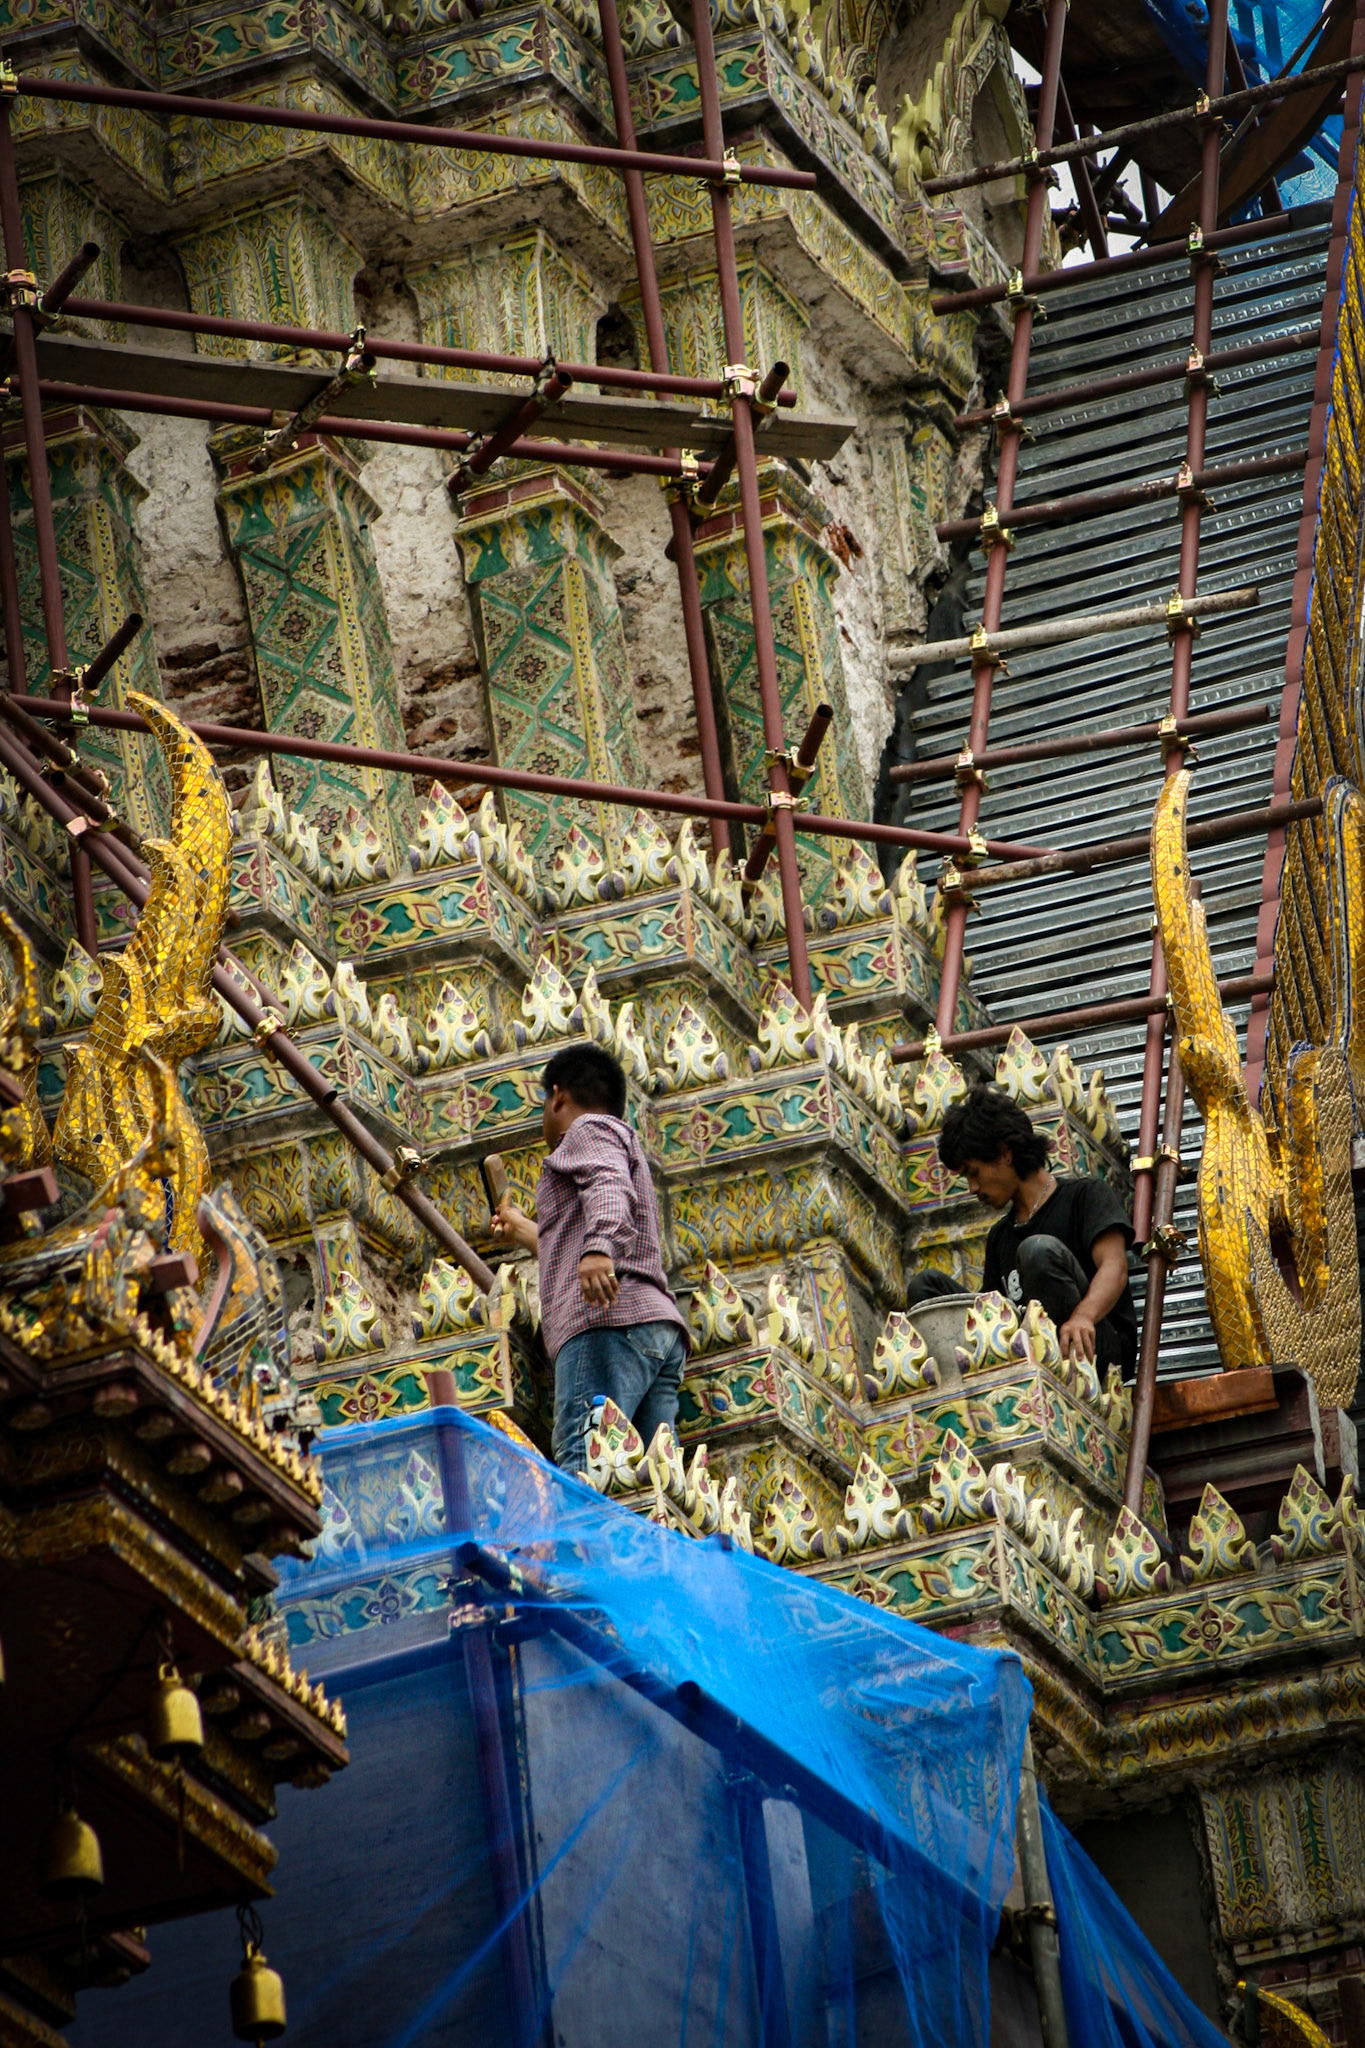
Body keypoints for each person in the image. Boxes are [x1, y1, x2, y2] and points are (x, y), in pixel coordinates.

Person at [491, 1042, 689, 1473]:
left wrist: (599, 1247)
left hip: (606, 1325)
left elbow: (607, 1186)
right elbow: (578, 1239)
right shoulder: (619, 1140)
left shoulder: (586, 1131)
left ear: (558, 1095)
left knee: (585, 1467)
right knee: (651, 1480)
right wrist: (525, 1229)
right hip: (654, 1328)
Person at [905, 1085, 1137, 1377]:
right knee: (926, 1288)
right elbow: (991, 1309)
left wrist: (1084, 1316)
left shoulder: (1085, 1195)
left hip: (1095, 1345)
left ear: (1004, 1154)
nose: (973, 1188)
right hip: (1025, 1348)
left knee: (1036, 1251)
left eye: (974, 1172)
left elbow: (1115, 1268)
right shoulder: (1000, 1237)